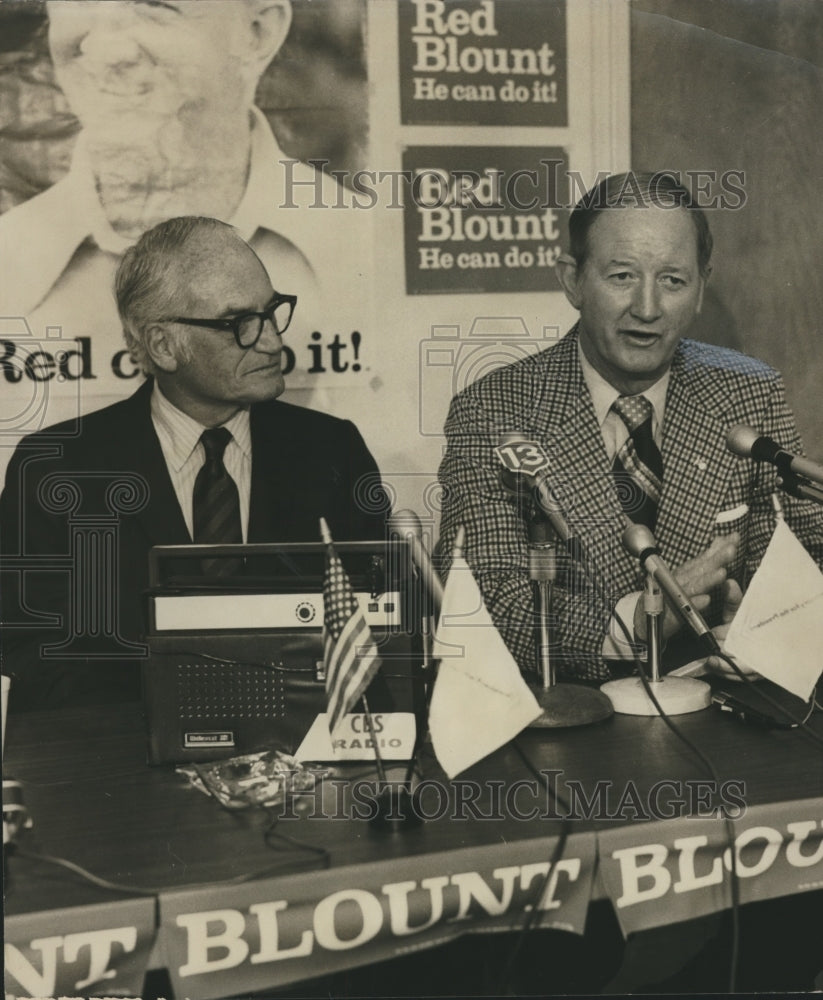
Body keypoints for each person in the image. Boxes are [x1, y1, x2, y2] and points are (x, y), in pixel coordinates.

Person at [437, 171, 823, 681]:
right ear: (573, 280)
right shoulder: (494, 410)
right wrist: (637, 622)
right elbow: (480, 596)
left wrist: (776, 631)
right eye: (622, 276)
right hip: (576, 731)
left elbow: (810, 558)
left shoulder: (749, 392)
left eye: (673, 280)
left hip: (727, 723)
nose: (647, 308)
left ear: (701, 289)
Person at [0, 216, 387, 711]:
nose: (272, 341)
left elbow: (374, 637)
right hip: (126, 769)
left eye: (271, 313)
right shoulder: (55, 470)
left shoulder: (333, 452)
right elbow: (37, 656)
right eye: (239, 324)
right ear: (163, 345)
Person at [0, 0, 370, 477]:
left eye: (155, 7)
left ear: (257, 31)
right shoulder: (10, 259)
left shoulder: (365, 247)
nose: (107, 47)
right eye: (79, 3)